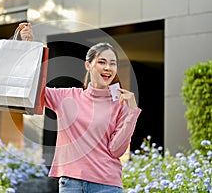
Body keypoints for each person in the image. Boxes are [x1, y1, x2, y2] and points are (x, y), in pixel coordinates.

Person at [19, 22, 141, 193]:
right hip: (71, 184)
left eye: (112, 63)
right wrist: (28, 48)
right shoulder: (67, 96)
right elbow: (33, 88)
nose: (108, 68)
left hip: (107, 185)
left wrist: (132, 112)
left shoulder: (119, 104)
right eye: (102, 62)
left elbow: (116, 150)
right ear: (88, 65)